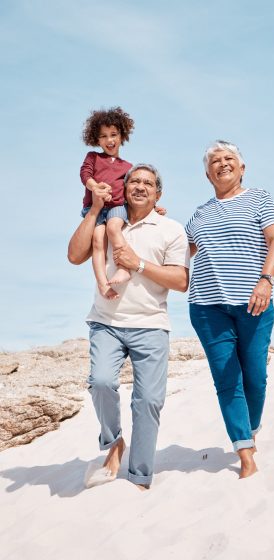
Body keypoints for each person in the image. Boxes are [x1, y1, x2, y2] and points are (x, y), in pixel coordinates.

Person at [68, 164, 190, 490]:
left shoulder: (172, 229)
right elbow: (74, 255)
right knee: (101, 382)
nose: (140, 186)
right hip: (106, 322)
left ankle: (139, 479)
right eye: (134, 181)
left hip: (150, 325)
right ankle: (113, 442)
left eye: (147, 183)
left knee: (148, 401)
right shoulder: (108, 220)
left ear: (158, 193)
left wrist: (138, 264)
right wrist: (95, 209)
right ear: (125, 188)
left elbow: (181, 280)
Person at [185, 140, 274, 479]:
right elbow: (177, 249)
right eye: (215, 160)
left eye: (230, 159)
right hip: (206, 307)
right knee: (227, 380)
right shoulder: (198, 214)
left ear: (242, 168)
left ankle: (251, 426)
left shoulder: (259, 198)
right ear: (207, 173)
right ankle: (245, 451)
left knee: (255, 379)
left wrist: (266, 280)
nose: (222, 163)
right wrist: (156, 216)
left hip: (254, 302)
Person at [80, 106, 134, 300]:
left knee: (113, 228)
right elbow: (85, 174)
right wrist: (95, 187)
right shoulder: (92, 157)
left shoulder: (128, 167)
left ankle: (123, 268)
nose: (109, 140)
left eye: (113, 134)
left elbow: (132, 191)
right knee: (97, 242)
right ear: (96, 139)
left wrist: (154, 209)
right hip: (95, 208)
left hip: (117, 207)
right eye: (103, 136)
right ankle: (103, 284)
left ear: (122, 136)